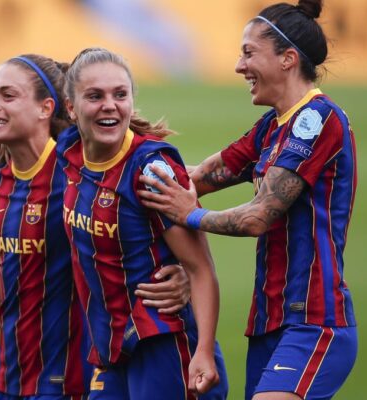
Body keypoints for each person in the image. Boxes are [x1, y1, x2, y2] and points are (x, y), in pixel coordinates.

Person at [138, 1, 358, 399]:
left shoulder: (316, 120)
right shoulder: (270, 128)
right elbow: (194, 178)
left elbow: (259, 217)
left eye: (248, 53)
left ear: (288, 59)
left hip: (312, 321)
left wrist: (192, 215)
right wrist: (115, 162)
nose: (239, 67)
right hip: (268, 323)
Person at [57, 47, 226, 399]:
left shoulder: (152, 171)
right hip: (110, 345)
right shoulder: (70, 150)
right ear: (70, 108)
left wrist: (204, 352)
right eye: (95, 95)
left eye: (120, 94)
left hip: (163, 341)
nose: (110, 105)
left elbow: (200, 268)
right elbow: (26, 98)